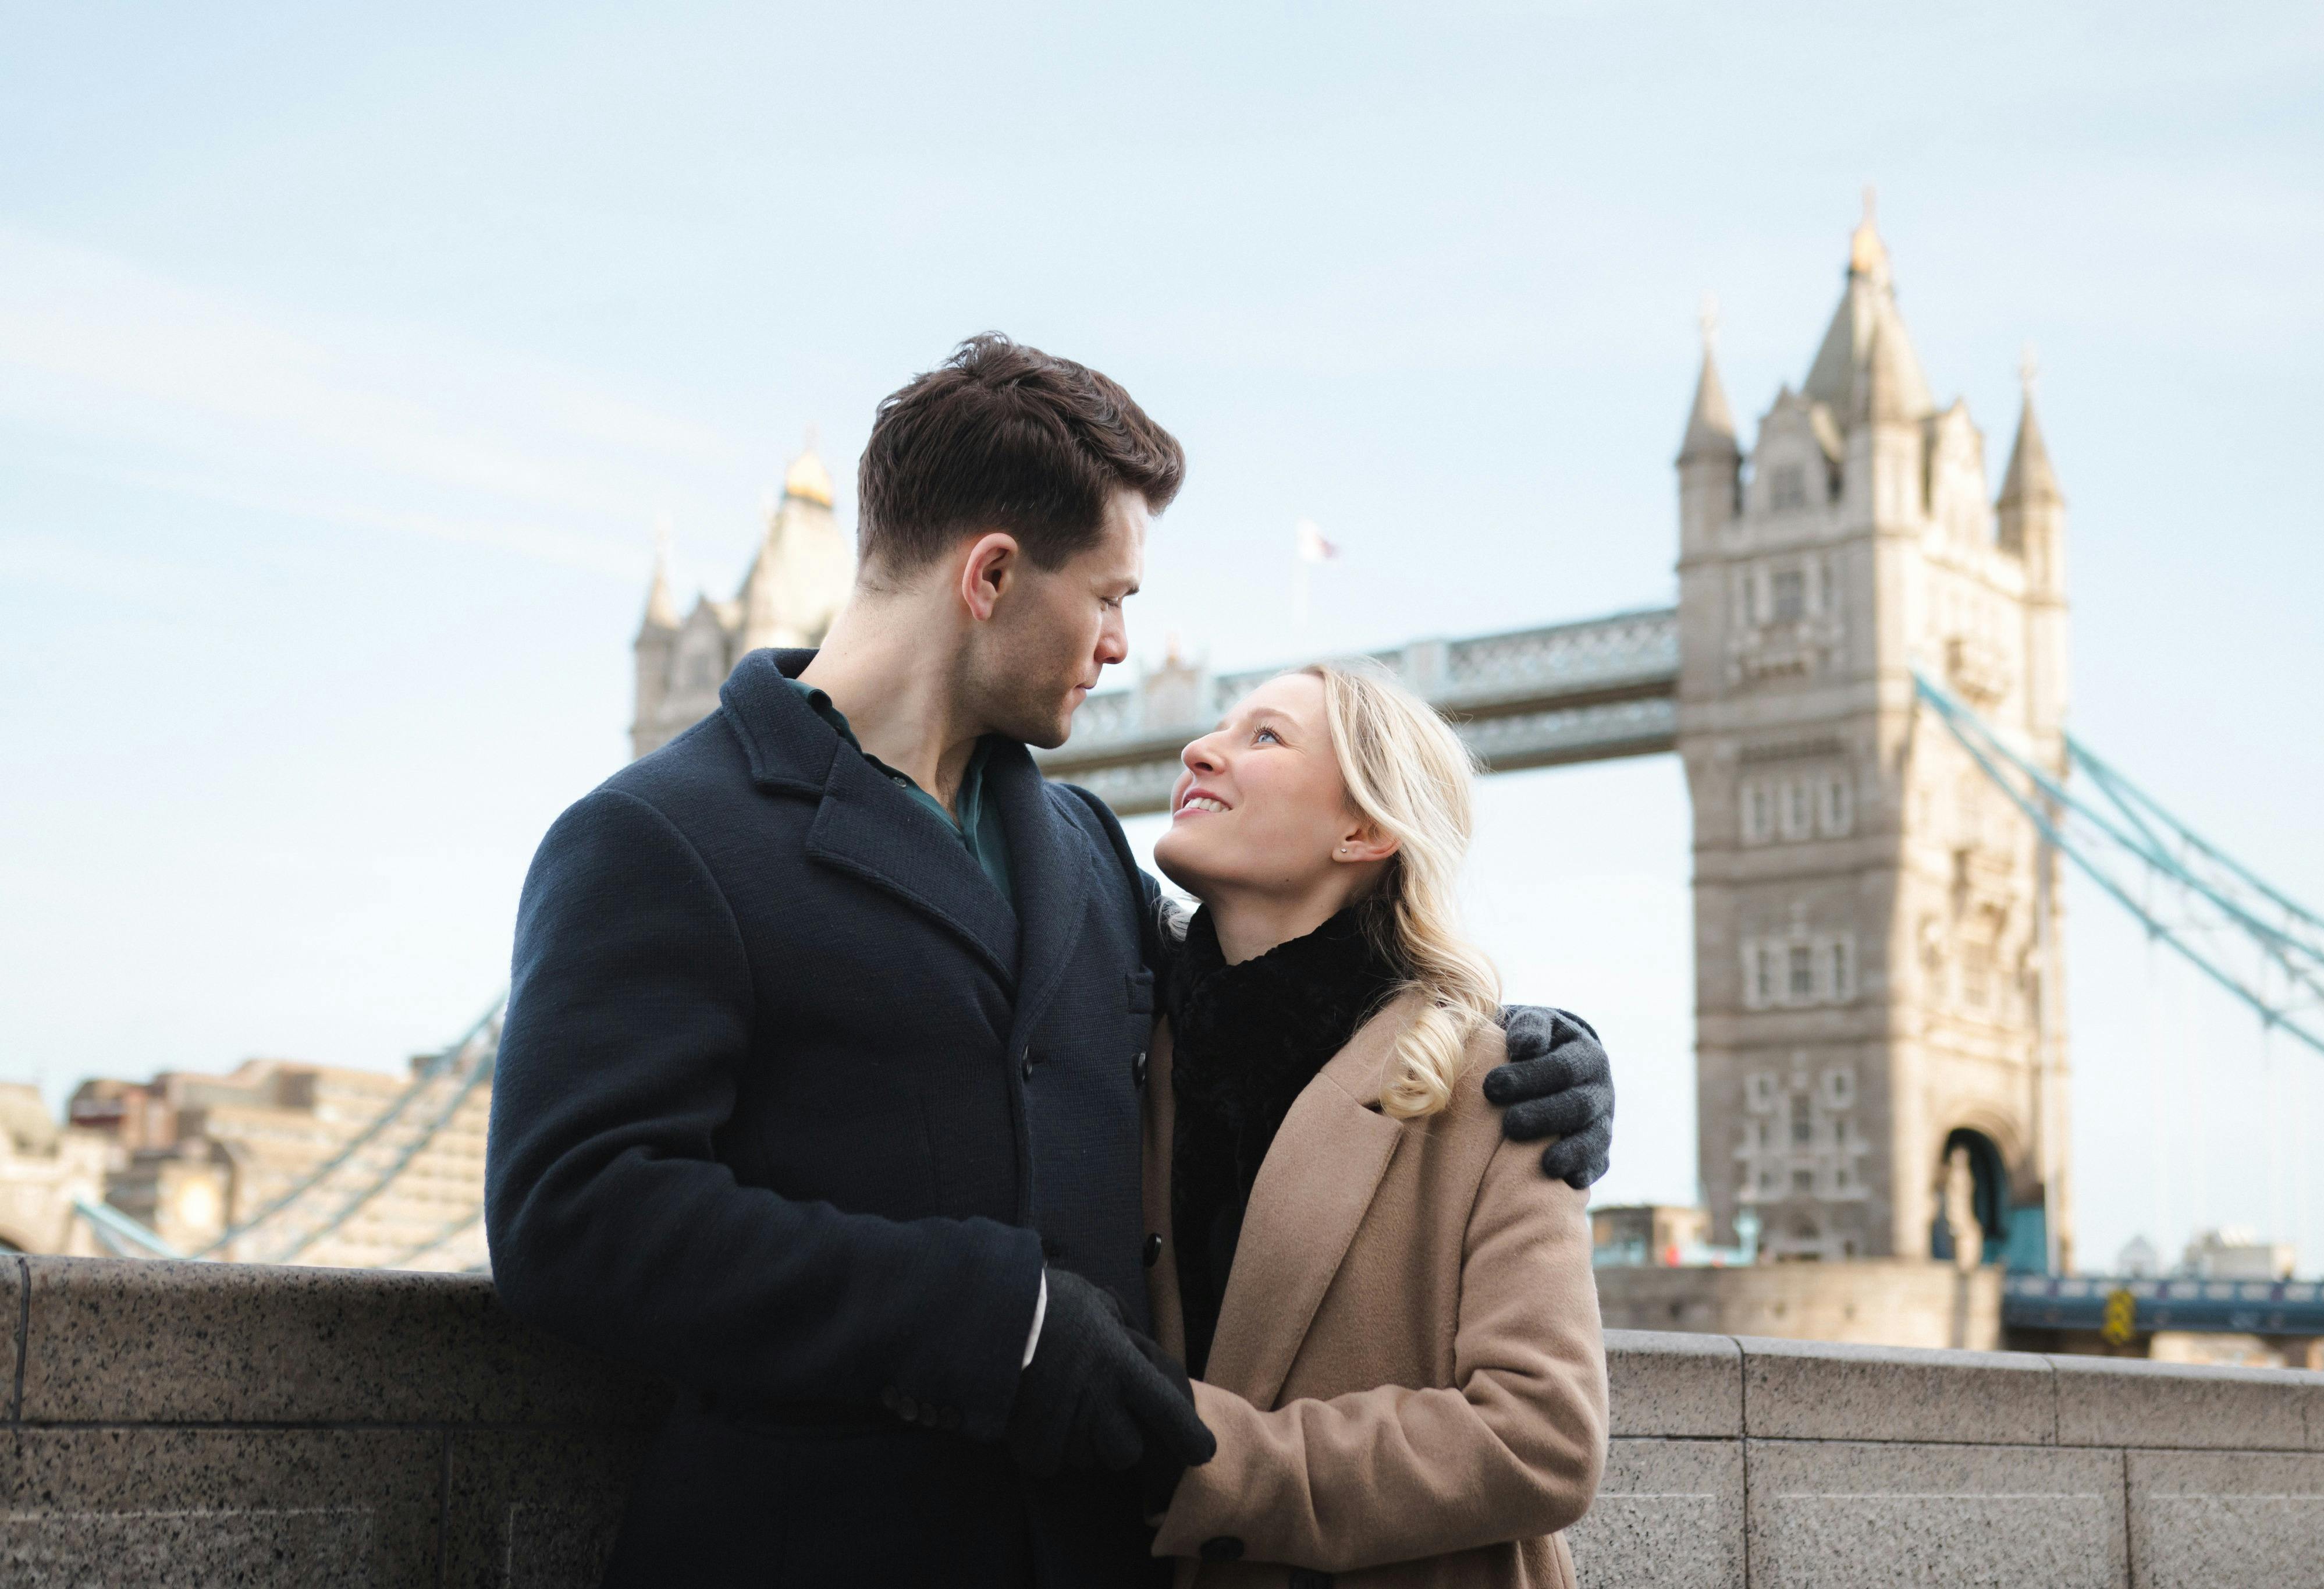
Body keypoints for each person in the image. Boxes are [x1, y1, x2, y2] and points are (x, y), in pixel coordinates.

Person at [484, 334, 1616, 1588]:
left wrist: (1522, 1047)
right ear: (991, 576)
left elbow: (1274, 989)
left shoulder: (1078, 847)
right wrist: (983, 1317)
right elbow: (571, 1218)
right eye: (1112, 596)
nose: (1124, 644)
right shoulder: (658, 835)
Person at [1136, 663, 1607, 1587]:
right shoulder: (1125, 1053)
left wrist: (1209, 1464)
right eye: (1219, 729)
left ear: (1364, 829)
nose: (1199, 748)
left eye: (1264, 736)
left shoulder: (1485, 1082)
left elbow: (1547, 1435)